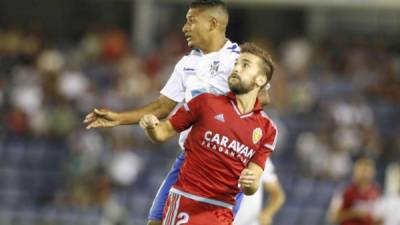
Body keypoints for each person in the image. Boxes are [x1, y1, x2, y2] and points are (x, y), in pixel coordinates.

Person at [83, 1, 270, 225]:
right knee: (155, 221)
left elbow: (262, 97)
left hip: (224, 168)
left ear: (213, 23)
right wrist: (118, 118)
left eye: (191, 20)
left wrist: (223, 111)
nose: (184, 27)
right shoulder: (187, 63)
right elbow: (162, 107)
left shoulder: (239, 60)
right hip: (189, 160)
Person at [139, 42, 277, 225]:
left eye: (245, 65)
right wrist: (151, 126)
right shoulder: (205, 103)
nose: (236, 68)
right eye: (236, 63)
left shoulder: (267, 129)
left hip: (221, 211)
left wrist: (250, 182)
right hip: (186, 201)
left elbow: (252, 184)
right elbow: (162, 133)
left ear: (261, 80)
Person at [328, 157, 381, 225]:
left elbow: (378, 217)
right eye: (362, 170)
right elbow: (333, 216)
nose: (364, 174)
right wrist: (355, 213)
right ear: (355, 172)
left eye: (367, 170)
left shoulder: (377, 192)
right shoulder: (344, 190)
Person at [233, 159, 285, 225]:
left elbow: (277, 194)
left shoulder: (263, 158)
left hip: (250, 222)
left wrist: (267, 214)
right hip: (222, 218)